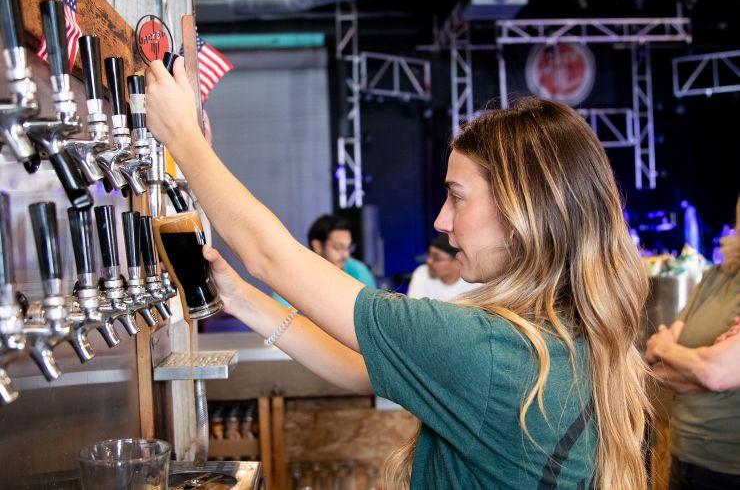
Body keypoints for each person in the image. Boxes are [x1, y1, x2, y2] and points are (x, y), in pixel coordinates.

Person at [146, 58, 650, 489]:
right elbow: (359, 368)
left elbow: (270, 256)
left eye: (456, 196)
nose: (441, 221)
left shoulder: (492, 350)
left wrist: (184, 141)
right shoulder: (562, 333)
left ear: (523, 209)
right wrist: (243, 300)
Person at [646, 196, 740, 489]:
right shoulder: (715, 278)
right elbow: (656, 366)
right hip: (685, 454)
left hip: (730, 465)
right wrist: (704, 363)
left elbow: (714, 373)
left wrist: (668, 349)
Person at [273, 214, 376, 308]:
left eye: (348, 248)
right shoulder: (294, 275)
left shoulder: (359, 270)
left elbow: (372, 313)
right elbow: (280, 316)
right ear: (317, 246)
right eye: (338, 247)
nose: (346, 255)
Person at [407, 233, 479, 301]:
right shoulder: (422, 272)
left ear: (458, 262)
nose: (429, 261)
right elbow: (415, 311)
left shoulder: (474, 282)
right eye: (429, 255)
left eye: (436, 258)